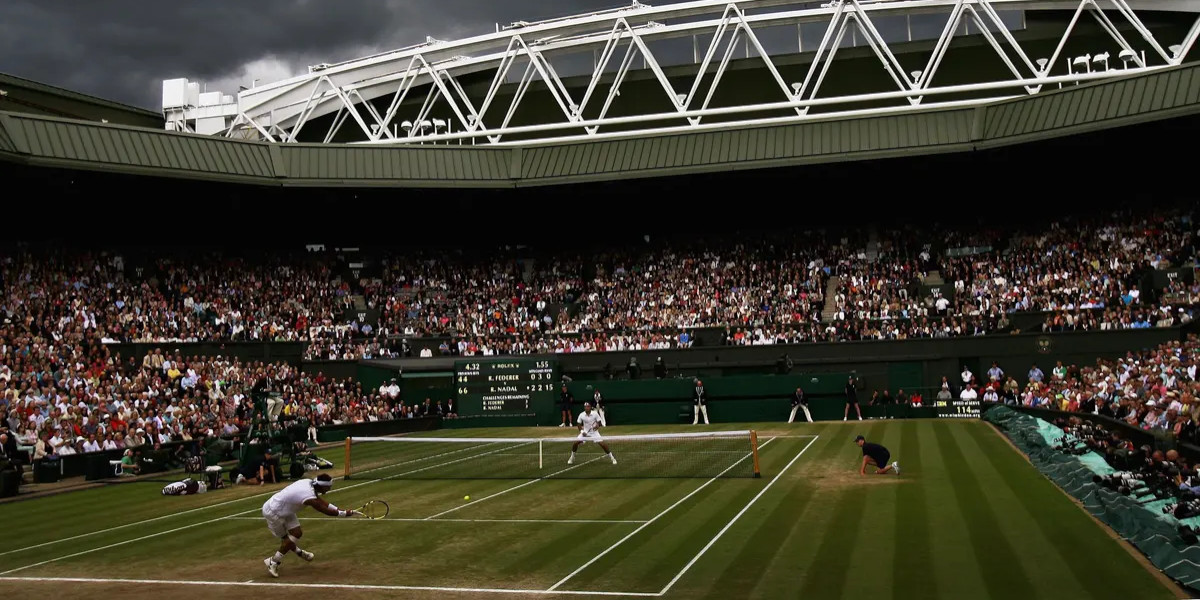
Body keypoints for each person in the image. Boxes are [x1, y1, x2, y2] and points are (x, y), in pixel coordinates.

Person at [261, 473, 361, 578]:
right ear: (322, 486)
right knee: (286, 539)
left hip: (286, 509)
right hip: (273, 512)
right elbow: (325, 510)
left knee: (296, 534)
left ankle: (299, 552)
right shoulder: (308, 496)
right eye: (328, 487)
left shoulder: (309, 483)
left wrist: (342, 510)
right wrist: (344, 514)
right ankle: (273, 561)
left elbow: (322, 502)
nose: (329, 489)